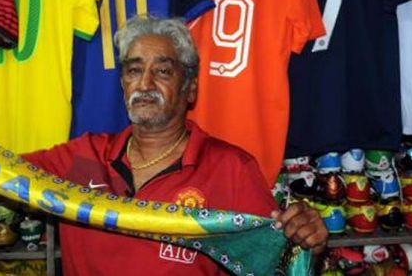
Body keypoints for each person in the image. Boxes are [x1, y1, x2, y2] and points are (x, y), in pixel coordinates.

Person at [23, 16, 328, 276]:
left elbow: (277, 263)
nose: (144, 84)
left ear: (190, 88)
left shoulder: (230, 170)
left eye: (163, 71)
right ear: (123, 84)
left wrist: (307, 244)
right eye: (133, 70)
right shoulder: (80, 158)